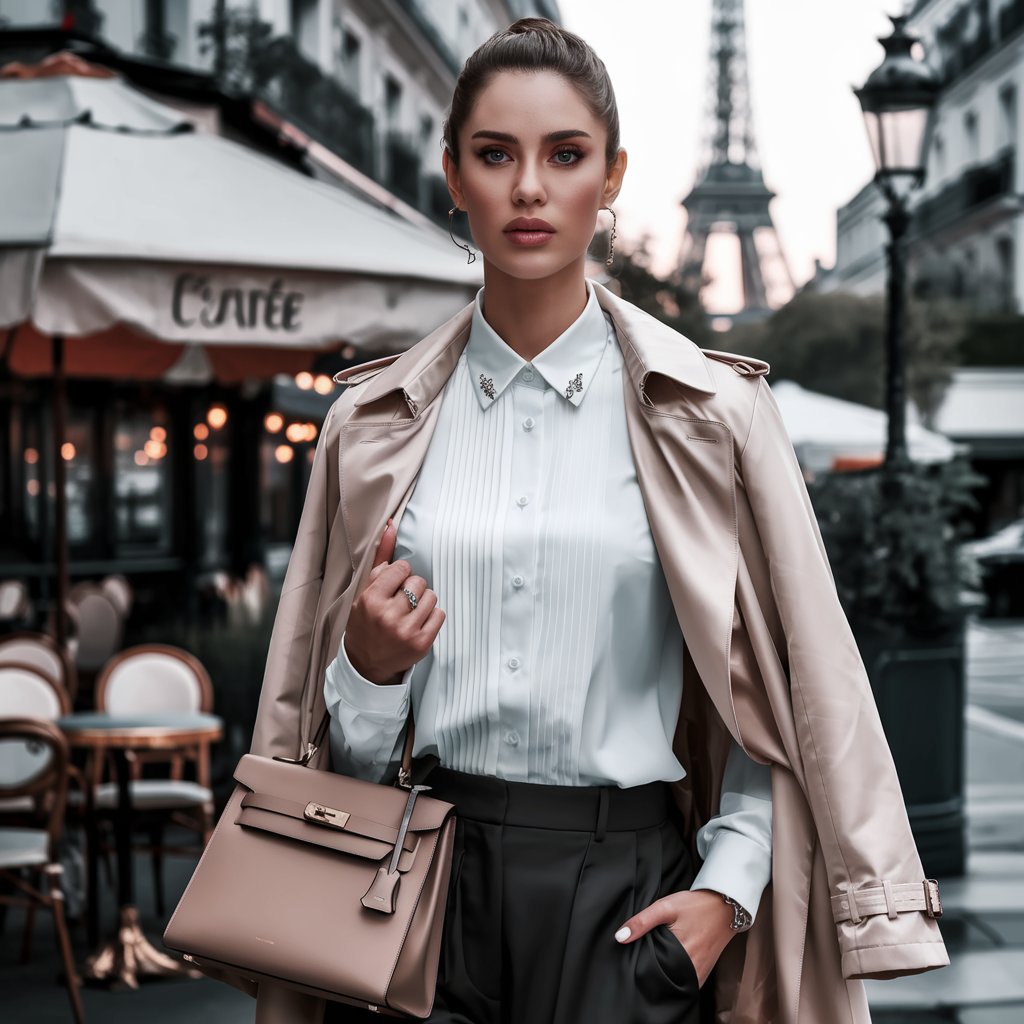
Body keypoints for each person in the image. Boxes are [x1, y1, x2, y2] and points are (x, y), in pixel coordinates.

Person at [248, 17, 948, 1024]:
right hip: (416, 885)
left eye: (564, 155)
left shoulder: (713, 417)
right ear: (452, 173)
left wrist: (726, 889)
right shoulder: (371, 425)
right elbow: (331, 755)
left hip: (628, 895)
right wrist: (366, 666)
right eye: (495, 154)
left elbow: (768, 693)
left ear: (612, 175)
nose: (529, 188)